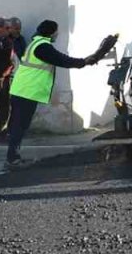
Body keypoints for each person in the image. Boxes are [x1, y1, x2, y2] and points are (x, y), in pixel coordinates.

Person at [8, 21, 117, 168]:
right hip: (26, 91)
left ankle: (14, 156)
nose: (57, 34)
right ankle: (12, 159)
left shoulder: (36, 43)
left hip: (23, 90)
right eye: (56, 32)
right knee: (19, 126)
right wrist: (84, 62)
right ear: (51, 32)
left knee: (19, 125)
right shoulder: (42, 47)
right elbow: (62, 60)